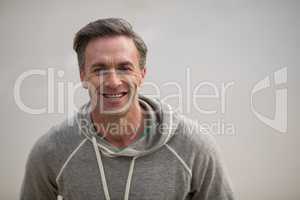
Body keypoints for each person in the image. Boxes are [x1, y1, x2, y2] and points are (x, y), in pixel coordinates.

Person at [20, 18, 235, 200]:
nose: (113, 81)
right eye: (99, 69)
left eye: (124, 68)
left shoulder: (193, 146)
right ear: (83, 76)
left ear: (142, 74)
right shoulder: (52, 150)